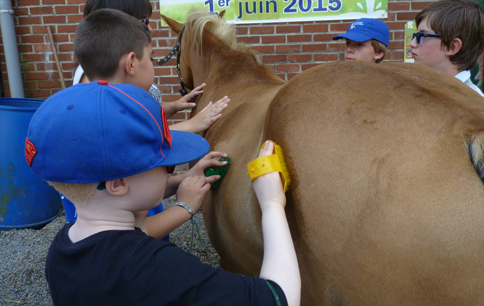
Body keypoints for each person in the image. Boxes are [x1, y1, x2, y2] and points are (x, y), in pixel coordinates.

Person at [25, 81, 301, 306]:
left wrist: (179, 183)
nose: (172, 170)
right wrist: (271, 202)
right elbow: (279, 298)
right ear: (118, 183)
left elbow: (118, 250)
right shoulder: (153, 267)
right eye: (167, 165)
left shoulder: (62, 252)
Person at [75, 0, 230, 134]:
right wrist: (192, 124)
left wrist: (174, 106)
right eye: (144, 21)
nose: (150, 29)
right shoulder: (96, 78)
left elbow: (136, 115)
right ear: (117, 21)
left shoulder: (109, 67)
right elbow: (129, 136)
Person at [409, 0, 484, 100]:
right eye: (415, 35)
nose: (412, 43)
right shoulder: (426, 88)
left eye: (423, 35)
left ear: (452, 47)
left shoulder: (474, 105)